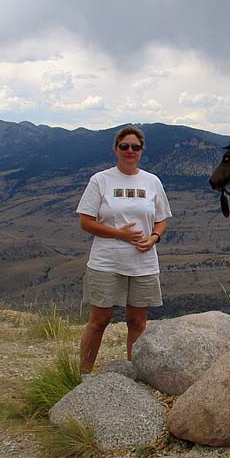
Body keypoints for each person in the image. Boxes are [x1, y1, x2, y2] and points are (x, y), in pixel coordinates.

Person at [76, 125, 172, 373]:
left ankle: (135, 375)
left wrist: (154, 238)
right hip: (106, 261)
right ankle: (83, 375)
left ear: (142, 150)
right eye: (124, 146)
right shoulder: (101, 180)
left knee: (137, 321)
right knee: (99, 320)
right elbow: (86, 222)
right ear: (116, 149)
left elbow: (162, 219)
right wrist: (121, 234)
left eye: (135, 147)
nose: (130, 151)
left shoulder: (152, 181)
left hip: (143, 262)